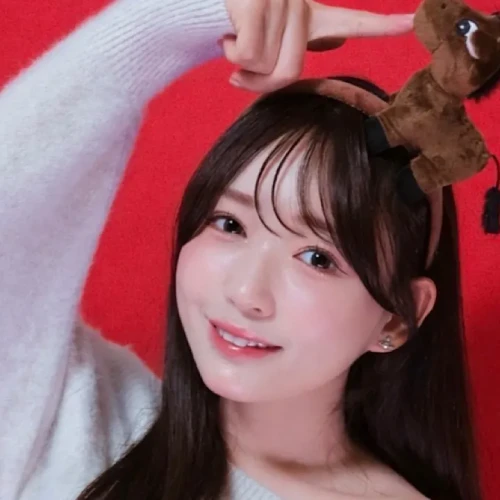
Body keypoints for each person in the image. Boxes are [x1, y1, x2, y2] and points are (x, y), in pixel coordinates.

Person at [0, 0, 482, 499]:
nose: (247, 292)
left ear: (398, 318)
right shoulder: (77, 415)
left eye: (317, 258)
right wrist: (156, 29)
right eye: (229, 224)